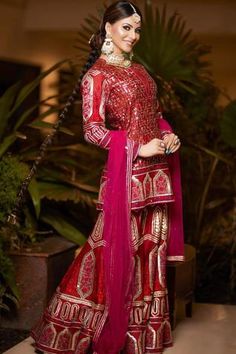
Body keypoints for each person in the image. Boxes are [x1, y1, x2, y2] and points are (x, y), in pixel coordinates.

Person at [31, 1, 184, 353]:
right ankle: (69, 327)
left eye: (137, 28)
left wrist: (167, 134)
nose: (134, 35)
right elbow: (93, 131)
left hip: (156, 177)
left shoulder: (142, 72)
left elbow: (155, 116)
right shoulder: (97, 75)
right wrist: (137, 147)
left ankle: (142, 335)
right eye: (127, 27)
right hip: (125, 179)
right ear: (108, 29)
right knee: (108, 252)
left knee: (151, 251)